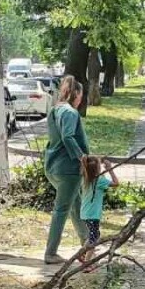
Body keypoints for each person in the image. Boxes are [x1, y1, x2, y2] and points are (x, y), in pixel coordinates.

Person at [44, 75, 91, 264]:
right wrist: (83, 158)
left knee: (75, 204)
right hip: (68, 169)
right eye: (81, 95)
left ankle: (88, 242)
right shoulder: (71, 113)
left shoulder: (55, 109)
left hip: (53, 166)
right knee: (62, 209)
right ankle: (50, 253)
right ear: (76, 93)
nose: (81, 99)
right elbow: (68, 137)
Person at [78, 154, 118, 263]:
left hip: (86, 213)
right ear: (97, 169)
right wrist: (110, 169)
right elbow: (116, 183)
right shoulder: (99, 180)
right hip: (92, 214)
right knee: (94, 239)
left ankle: (81, 254)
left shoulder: (84, 178)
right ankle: (87, 263)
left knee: (94, 235)